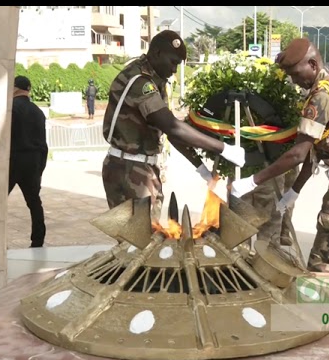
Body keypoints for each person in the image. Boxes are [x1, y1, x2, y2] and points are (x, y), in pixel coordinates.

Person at [231, 38, 329, 274]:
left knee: (324, 267)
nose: (293, 80)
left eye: (296, 73)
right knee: (328, 258)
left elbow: (299, 154)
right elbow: (314, 152)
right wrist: (294, 191)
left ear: (312, 64)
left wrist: (252, 181)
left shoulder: (321, 96)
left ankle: (322, 310)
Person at [102, 30, 245, 220]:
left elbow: (170, 133)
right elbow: (172, 126)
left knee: (133, 243)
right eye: (173, 62)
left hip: (131, 166)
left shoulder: (150, 78)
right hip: (131, 171)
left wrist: (201, 168)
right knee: (142, 242)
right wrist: (224, 148)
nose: (174, 70)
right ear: (158, 53)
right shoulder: (141, 82)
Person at [9, 76, 48, 248]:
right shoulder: (38, 112)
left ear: (15, 88)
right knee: (34, 203)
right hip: (32, 162)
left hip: (13, 160)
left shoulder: (10, 110)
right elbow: (43, 145)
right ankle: (37, 241)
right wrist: (40, 169)